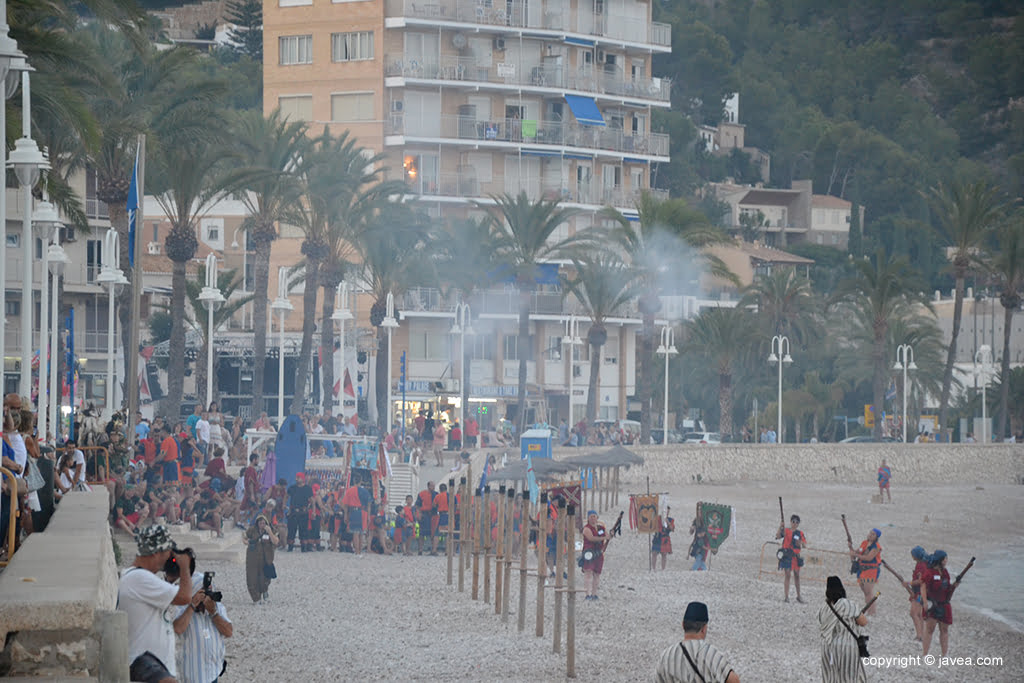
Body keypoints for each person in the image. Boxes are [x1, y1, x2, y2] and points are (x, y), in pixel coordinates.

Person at [117, 525, 193, 683]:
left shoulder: (136, 577)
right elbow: (185, 597)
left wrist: (172, 578)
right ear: (157, 553)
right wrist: (185, 567)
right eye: (168, 552)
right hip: (144, 662)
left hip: (153, 664)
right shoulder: (139, 578)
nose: (169, 558)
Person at [172, 564, 233, 683]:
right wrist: (192, 605)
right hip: (193, 674)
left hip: (213, 671)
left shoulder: (217, 608)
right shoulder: (184, 609)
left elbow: (229, 632)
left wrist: (213, 612)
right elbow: (178, 629)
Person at [654, 601, 740, 683]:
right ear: (703, 629)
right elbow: (734, 680)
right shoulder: (710, 654)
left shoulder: (666, 656)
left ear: (683, 625)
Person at [818, 575, 867, 683]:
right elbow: (863, 622)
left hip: (827, 648)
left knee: (830, 678)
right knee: (848, 678)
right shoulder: (848, 604)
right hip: (847, 647)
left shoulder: (823, 608)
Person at [921, 550, 956, 657]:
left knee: (944, 630)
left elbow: (948, 588)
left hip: (944, 604)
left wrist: (956, 584)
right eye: (945, 558)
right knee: (929, 629)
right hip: (933, 604)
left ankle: (944, 655)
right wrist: (925, 602)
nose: (946, 560)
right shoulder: (930, 572)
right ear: (940, 560)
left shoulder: (945, 573)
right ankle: (925, 654)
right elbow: (923, 586)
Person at [245, 515, 279, 603]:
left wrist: (270, 532)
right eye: (260, 523)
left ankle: (264, 591)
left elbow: (275, 541)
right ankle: (256, 598)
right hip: (253, 558)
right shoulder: (252, 531)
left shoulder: (271, 531)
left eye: (264, 523)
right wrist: (247, 542)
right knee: (252, 577)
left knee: (265, 578)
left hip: (266, 559)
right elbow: (244, 538)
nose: (262, 525)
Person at [849, 528, 882, 615]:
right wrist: (851, 549)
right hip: (861, 570)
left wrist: (855, 555)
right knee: (865, 591)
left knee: (869, 592)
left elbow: (868, 558)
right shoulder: (864, 543)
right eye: (870, 533)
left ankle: (872, 612)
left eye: (873, 534)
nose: (870, 535)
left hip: (871, 571)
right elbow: (858, 552)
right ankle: (869, 610)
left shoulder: (876, 547)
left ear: (876, 537)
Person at [776, 514, 806, 603]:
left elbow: (804, 544)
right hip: (787, 556)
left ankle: (798, 596)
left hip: (796, 557)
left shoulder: (800, 533)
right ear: (791, 522)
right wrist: (780, 526)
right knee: (788, 575)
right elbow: (778, 536)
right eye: (793, 521)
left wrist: (800, 543)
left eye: (797, 522)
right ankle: (786, 596)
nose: (795, 523)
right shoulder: (786, 531)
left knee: (797, 575)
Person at [581, 509, 608, 600]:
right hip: (589, 552)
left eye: (594, 516)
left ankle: (594, 594)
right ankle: (587, 594)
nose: (593, 518)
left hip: (599, 553)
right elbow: (591, 538)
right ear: (588, 518)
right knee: (588, 572)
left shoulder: (601, 528)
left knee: (597, 574)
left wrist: (609, 535)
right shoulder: (586, 528)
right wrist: (604, 537)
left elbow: (607, 536)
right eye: (591, 516)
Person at [905, 545, 928, 642]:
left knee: (914, 613)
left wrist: (908, 583)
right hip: (923, 592)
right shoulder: (924, 564)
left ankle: (919, 635)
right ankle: (921, 635)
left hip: (919, 592)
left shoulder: (920, 565)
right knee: (919, 614)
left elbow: (920, 580)